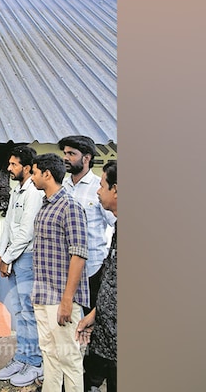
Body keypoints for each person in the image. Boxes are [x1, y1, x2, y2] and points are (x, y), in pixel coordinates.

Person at [57, 135, 115, 391]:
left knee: (92, 332)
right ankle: (69, 380)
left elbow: (114, 223)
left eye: (71, 154)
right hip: (66, 273)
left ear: (87, 158)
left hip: (93, 273)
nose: (66, 158)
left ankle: (88, 382)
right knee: (68, 328)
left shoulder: (99, 188)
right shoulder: (63, 187)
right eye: (65, 153)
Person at [29, 153, 89, 392]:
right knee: (50, 355)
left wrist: (67, 300)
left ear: (47, 174)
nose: (32, 177)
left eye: (34, 172)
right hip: (43, 296)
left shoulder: (70, 207)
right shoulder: (45, 206)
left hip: (62, 299)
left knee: (69, 359)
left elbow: (79, 254)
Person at [0, 145, 46, 387]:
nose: (9, 168)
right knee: (20, 312)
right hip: (14, 257)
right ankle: (22, 358)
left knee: (28, 313)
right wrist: (0, 254)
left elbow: (26, 233)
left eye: (14, 164)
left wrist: (8, 257)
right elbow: (8, 227)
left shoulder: (34, 192)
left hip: (26, 258)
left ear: (26, 167)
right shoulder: (17, 190)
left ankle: (34, 363)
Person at [77, 161, 117, 391]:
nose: (98, 191)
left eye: (102, 185)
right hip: (105, 331)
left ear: (116, 190)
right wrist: (94, 314)